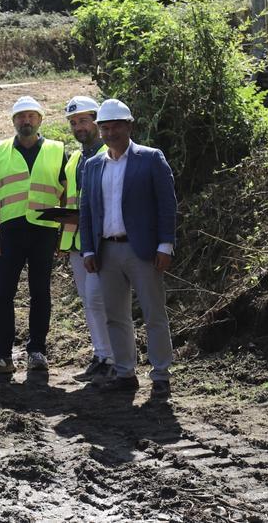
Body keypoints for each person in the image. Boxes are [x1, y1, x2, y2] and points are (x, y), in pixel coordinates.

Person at [79, 99, 177, 396]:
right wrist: (88, 250)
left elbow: (167, 205)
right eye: (105, 128)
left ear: (129, 126)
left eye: (116, 127)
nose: (110, 133)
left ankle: (160, 375)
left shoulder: (150, 159)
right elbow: (86, 210)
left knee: (154, 313)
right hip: (106, 251)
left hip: (142, 249)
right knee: (115, 315)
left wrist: (165, 245)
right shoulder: (93, 165)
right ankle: (125, 374)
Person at [0, 96, 66, 374]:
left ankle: (37, 351)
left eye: (31, 116)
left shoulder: (57, 150)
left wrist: (64, 233)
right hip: (11, 232)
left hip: (44, 231)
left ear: (40, 120)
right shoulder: (0, 151)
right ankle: (2, 354)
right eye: (20, 117)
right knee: (4, 293)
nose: (25, 121)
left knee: (40, 292)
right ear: (13, 121)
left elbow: (66, 195)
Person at [59, 96, 112, 381]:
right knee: (88, 300)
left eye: (83, 120)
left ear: (97, 121)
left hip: (102, 241)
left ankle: (113, 358)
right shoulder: (76, 158)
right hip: (77, 241)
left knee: (98, 298)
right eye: (73, 122)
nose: (79, 127)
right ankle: (101, 355)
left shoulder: (109, 152)